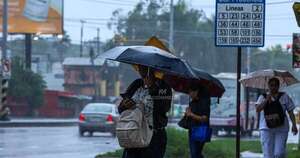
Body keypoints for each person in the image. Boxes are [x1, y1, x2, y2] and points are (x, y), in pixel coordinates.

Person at [118, 65, 172, 158]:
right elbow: (121, 109)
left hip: (154, 136)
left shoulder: (163, 87)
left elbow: (164, 108)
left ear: (151, 68)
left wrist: (152, 88)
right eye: (139, 67)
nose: (140, 69)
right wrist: (124, 106)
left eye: (143, 67)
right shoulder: (136, 84)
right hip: (135, 134)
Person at [255, 77, 298, 158]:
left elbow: (290, 111)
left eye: (275, 85)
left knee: (279, 153)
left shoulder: (284, 96)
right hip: (266, 128)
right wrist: (266, 99)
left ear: (278, 86)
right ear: (268, 86)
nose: (273, 87)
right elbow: (258, 109)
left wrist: (294, 125)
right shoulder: (263, 96)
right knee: (268, 154)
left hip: (282, 128)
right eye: (271, 85)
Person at [185, 85, 211, 158]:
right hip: (192, 129)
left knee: (195, 154)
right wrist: (187, 113)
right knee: (195, 154)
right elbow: (189, 117)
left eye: (190, 92)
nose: (189, 94)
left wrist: (191, 115)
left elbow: (204, 118)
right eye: (189, 92)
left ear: (196, 91)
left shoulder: (204, 102)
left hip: (201, 130)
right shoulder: (192, 102)